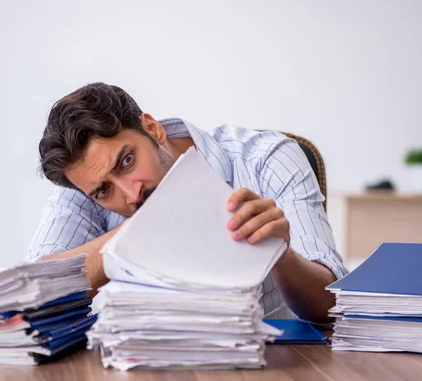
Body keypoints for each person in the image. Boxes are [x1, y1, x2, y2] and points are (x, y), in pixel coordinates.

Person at [26, 82, 347, 323]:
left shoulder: (268, 159)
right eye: (103, 192)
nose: (131, 193)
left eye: (126, 161)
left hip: (263, 372)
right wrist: (141, 228)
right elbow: (34, 293)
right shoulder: (88, 177)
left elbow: (331, 307)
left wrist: (282, 256)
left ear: (152, 129)